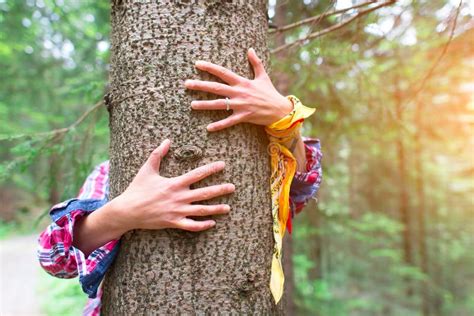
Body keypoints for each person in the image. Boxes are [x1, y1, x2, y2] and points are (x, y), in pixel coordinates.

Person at [37, 48, 322, 315]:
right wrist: (123, 213)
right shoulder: (112, 174)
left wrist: (287, 121)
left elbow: (300, 189)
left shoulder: (261, 160)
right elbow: (54, 257)